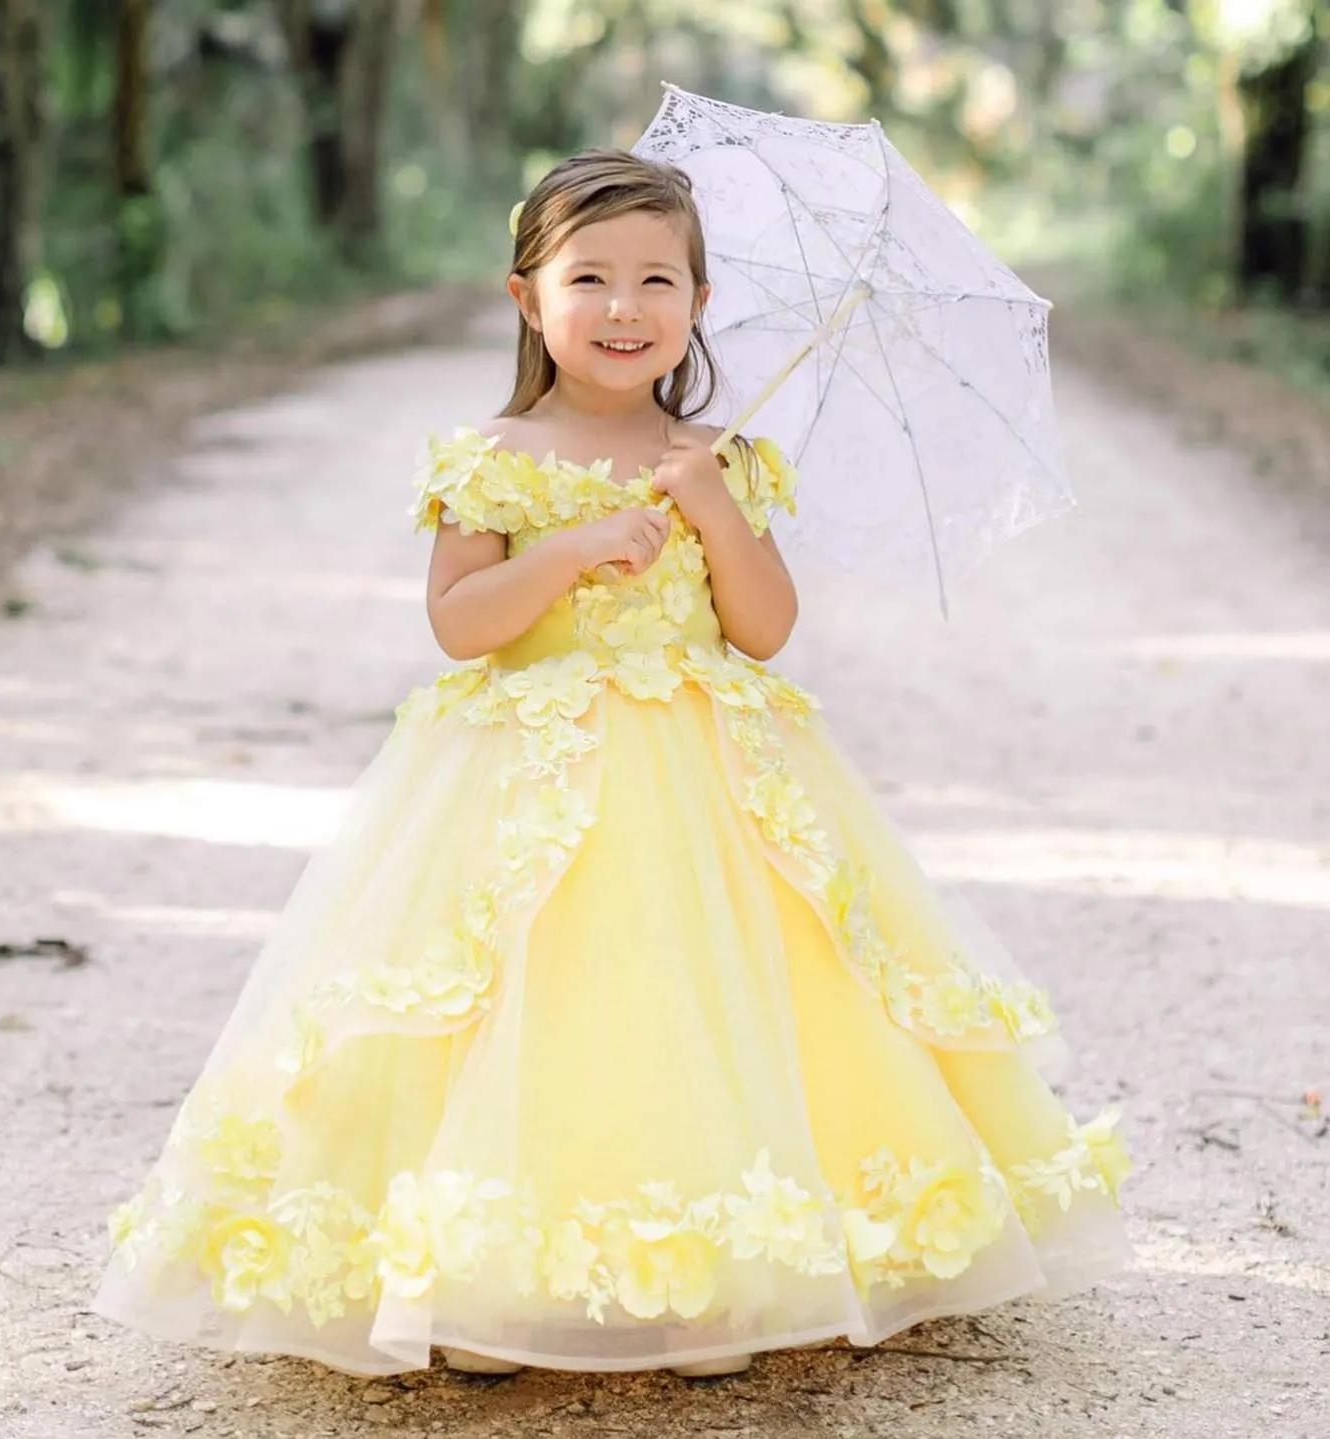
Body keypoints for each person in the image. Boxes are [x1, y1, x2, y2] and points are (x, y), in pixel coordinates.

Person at [94, 149, 1131, 1382]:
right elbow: (461, 621)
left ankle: (716, 1269)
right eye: (591, 277)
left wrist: (714, 509)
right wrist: (574, 546)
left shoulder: (717, 455)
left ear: (698, 304)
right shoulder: (492, 454)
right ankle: (482, 1273)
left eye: (660, 280)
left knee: (696, 1006)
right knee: (517, 1005)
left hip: (704, 786)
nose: (627, 306)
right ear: (530, 297)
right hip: (521, 783)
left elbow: (763, 627)